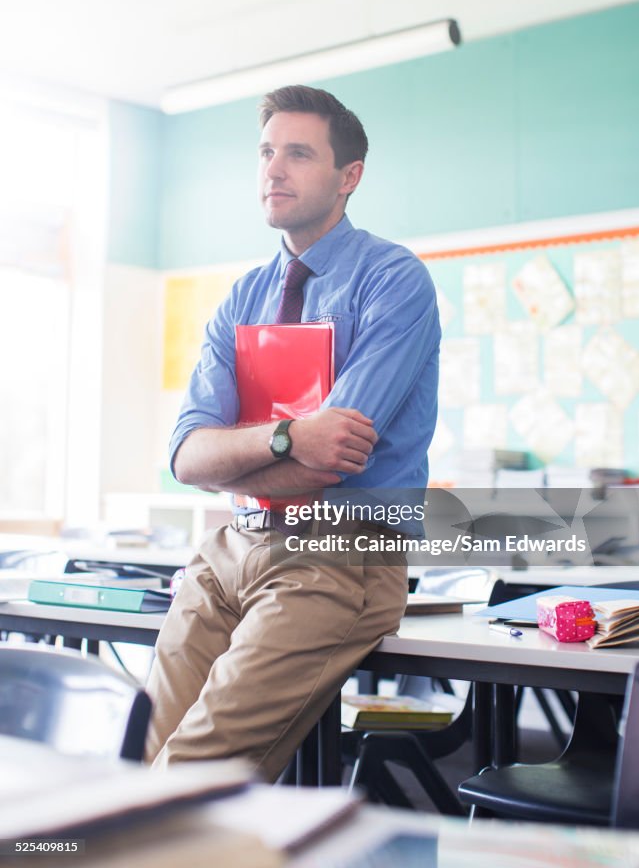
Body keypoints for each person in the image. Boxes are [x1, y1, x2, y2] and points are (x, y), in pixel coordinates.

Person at [145, 85, 440, 780]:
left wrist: (240, 454)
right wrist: (282, 439)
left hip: (338, 552)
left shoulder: (392, 281)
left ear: (349, 177)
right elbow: (186, 457)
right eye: (267, 152)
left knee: (188, 777)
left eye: (299, 154)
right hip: (231, 545)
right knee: (134, 767)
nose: (274, 170)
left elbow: (329, 461)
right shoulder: (243, 295)